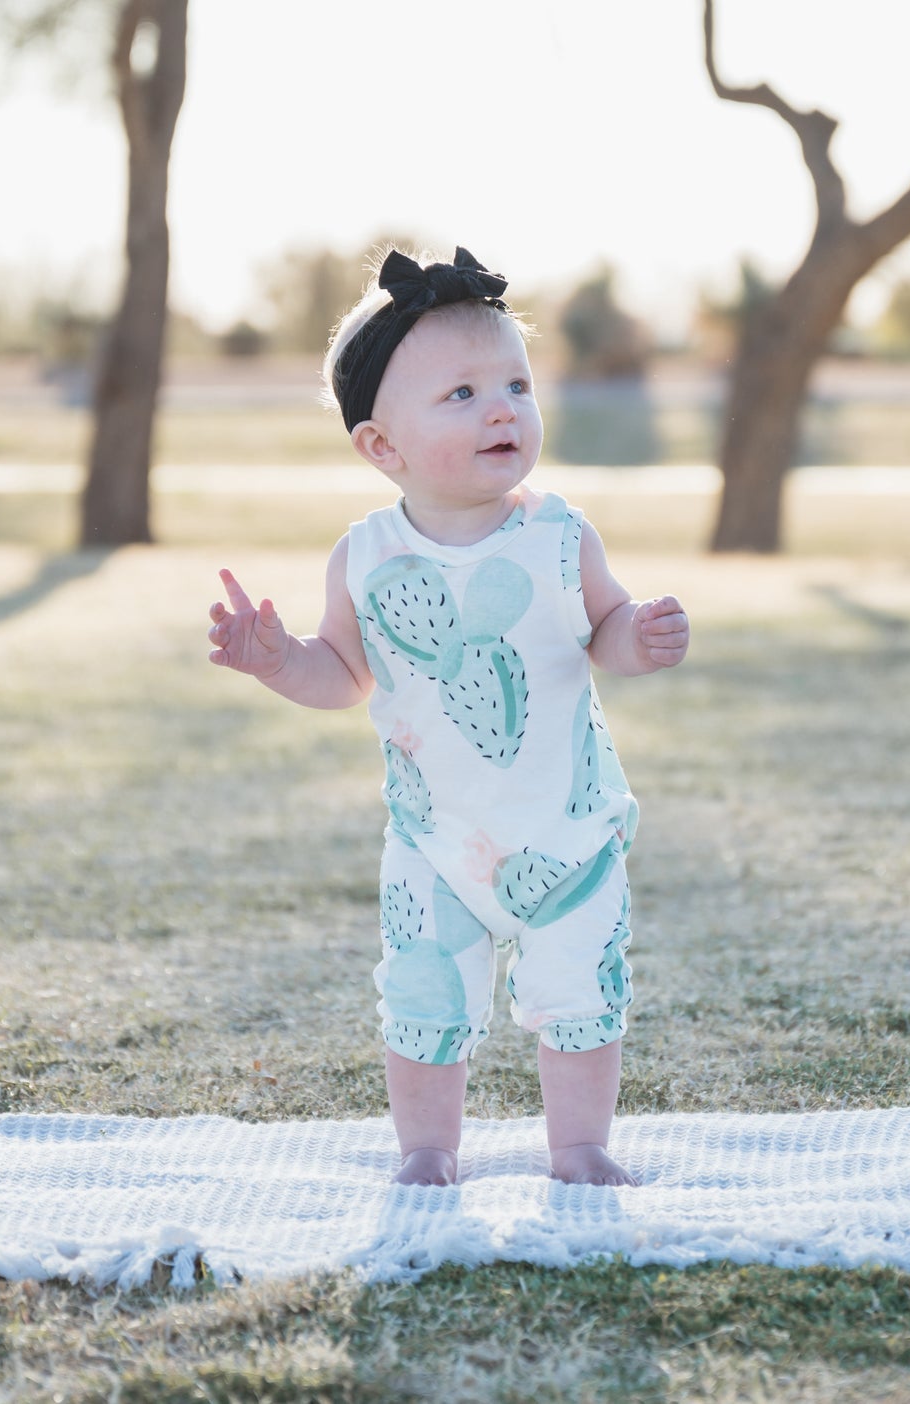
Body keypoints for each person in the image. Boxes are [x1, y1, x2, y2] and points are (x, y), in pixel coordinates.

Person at [207, 247, 689, 1187]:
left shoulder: (558, 535)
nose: (502, 406)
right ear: (380, 447)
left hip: (569, 837)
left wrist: (641, 634)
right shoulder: (365, 557)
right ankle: (427, 1152)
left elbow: (604, 631)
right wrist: (277, 661)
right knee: (425, 1000)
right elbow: (340, 672)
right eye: (461, 394)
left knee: (579, 991)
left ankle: (579, 1146)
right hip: (435, 844)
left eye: (515, 382)